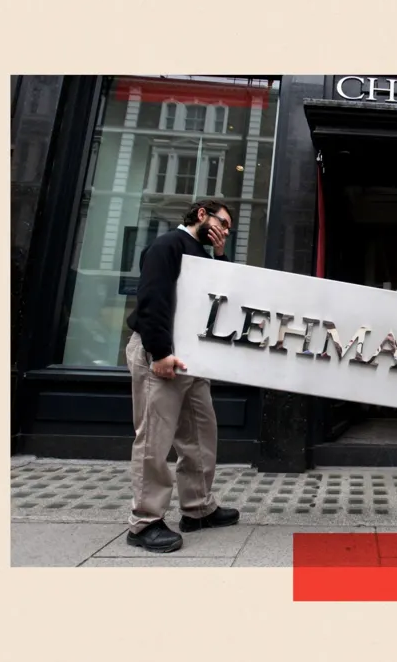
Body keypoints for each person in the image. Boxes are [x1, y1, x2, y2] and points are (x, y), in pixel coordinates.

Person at [123, 199, 241, 553]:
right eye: (222, 223)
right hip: (161, 355)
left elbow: (222, 296)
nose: (225, 231)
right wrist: (159, 353)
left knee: (201, 434)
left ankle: (198, 509)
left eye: (229, 230)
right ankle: (144, 523)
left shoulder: (200, 253)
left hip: (191, 359)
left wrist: (220, 253)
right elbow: (152, 298)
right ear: (202, 215)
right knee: (153, 440)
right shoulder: (167, 245)